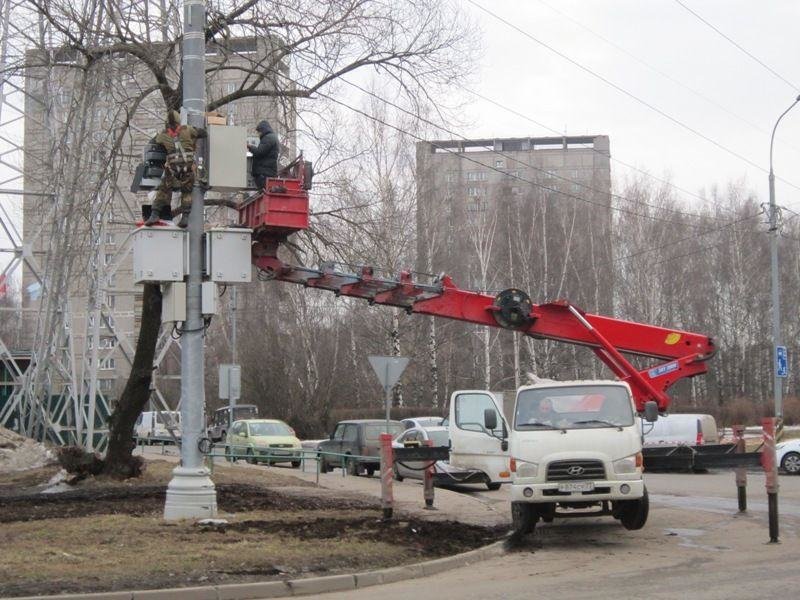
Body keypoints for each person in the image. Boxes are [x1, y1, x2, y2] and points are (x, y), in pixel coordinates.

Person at [145, 109, 206, 228]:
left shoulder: (163, 135)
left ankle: (154, 214)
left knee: (163, 190)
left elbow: (152, 143)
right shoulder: (188, 130)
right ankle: (185, 218)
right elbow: (204, 133)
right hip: (188, 170)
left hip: (172, 171)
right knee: (187, 192)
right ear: (179, 121)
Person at [247, 119, 279, 190]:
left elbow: (259, 152)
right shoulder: (272, 137)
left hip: (264, 174)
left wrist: (249, 147)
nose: (258, 134)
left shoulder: (268, 138)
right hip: (267, 172)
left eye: (259, 132)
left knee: (263, 192)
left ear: (263, 130)